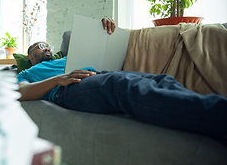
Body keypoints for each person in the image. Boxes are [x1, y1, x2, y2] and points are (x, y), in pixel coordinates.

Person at [17, 18, 227, 135]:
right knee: (120, 86)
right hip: (67, 89)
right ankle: (217, 116)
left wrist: (105, 29)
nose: (45, 47)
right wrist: (57, 80)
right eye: (39, 46)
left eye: (46, 45)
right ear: (29, 56)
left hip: (97, 73)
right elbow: (22, 92)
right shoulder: (25, 72)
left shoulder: (66, 57)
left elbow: (100, 49)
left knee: (159, 80)